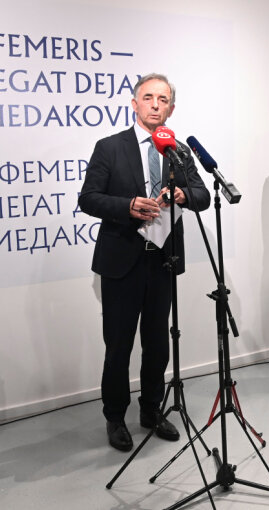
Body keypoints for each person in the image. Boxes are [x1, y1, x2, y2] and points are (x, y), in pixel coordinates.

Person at [78, 73, 209, 451]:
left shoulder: (178, 150)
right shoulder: (110, 147)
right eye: (148, 97)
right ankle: (115, 416)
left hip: (163, 260)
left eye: (163, 99)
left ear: (171, 108)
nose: (155, 104)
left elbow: (202, 195)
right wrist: (128, 206)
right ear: (134, 104)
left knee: (157, 343)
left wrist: (183, 195)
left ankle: (151, 409)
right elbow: (88, 198)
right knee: (118, 345)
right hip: (122, 261)